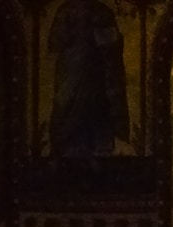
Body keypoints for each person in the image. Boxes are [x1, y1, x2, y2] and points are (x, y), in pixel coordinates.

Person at [49, 0, 129, 156]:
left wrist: (101, 36)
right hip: (72, 74)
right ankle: (66, 145)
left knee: (96, 108)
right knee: (68, 107)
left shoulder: (103, 12)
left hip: (95, 75)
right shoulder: (65, 11)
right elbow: (54, 42)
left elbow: (112, 45)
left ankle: (100, 147)